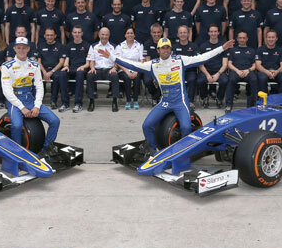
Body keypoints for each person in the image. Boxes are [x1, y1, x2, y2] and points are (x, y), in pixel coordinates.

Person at [99, 37, 234, 153]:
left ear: (171, 49)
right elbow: (132, 65)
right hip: (165, 102)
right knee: (146, 126)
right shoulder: (153, 64)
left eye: (167, 48)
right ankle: (153, 151)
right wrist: (111, 56)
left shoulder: (180, 60)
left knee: (186, 127)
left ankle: (183, 152)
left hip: (180, 102)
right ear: (158, 50)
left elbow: (202, 57)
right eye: (162, 48)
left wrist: (222, 48)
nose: (165, 50)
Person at [1, 37, 61, 155]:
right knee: (17, 126)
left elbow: (39, 86)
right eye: (19, 48)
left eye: (24, 48)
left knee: (55, 121)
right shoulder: (7, 66)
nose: (21, 50)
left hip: (30, 98)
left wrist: (37, 106)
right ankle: (17, 152)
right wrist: (22, 107)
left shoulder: (34, 65)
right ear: (14, 49)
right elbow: (7, 91)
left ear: (28, 49)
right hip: (15, 100)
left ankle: (46, 148)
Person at [85, 27, 119, 112]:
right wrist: (92, 68)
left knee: (115, 76)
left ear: (109, 35)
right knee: (89, 75)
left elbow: (117, 60)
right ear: (99, 35)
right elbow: (91, 60)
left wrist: (114, 68)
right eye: (103, 34)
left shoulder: (114, 46)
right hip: (97, 70)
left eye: (106, 35)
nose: (104, 36)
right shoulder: (93, 46)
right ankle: (91, 101)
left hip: (109, 70)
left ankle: (114, 101)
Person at [196, 24, 229, 108]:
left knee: (225, 80)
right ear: (208, 33)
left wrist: (218, 74)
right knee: (200, 80)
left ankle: (219, 98)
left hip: (219, 71)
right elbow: (200, 64)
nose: (213, 33)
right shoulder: (203, 46)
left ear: (218, 33)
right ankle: (204, 98)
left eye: (215, 31)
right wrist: (207, 75)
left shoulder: (223, 46)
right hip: (206, 71)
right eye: (211, 31)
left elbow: (225, 64)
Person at [225, 30, 258, 112]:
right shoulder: (232, 50)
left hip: (248, 71)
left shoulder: (252, 50)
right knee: (231, 79)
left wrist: (248, 70)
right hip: (236, 71)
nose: (242, 39)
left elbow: (255, 65)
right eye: (240, 38)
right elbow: (229, 64)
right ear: (237, 39)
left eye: (244, 38)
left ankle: (255, 104)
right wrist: (237, 70)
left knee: (254, 79)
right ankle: (228, 105)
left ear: (247, 39)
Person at [37, 28, 69, 111]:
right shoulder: (40, 46)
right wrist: (44, 72)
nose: (49, 37)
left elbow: (61, 62)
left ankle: (53, 101)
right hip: (43, 69)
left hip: (55, 69)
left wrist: (51, 72)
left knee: (57, 76)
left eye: (51, 35)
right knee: (36, 75)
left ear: (55, 36)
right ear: (44, 36)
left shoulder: (60, 46)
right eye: (47, 35)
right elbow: (38, 62)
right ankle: (37, 101)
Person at [63, 25, 91, 113]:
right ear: (72, 33)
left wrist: (83, 67)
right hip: (71, 68)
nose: (77, 34)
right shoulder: (68, 46)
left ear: (82, 33)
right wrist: (66, 66)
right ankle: (65, 103)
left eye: (79, 32)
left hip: (82, 68)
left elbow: (88, 63)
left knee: (80, 74)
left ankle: (78, 103)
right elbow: (66, 59)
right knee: (62, 74)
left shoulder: (87, 46)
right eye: (75, 32)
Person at [115, 28, 144, 109]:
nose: (130, 35)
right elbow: (118, 61)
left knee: (137, 78)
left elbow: (141, 60)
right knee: (127, 78)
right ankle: (128, 100)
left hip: (137, 68)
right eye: (128, 33)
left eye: (131, 33)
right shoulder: (120, 46)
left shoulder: (139, 45)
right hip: (123, 69)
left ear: (134, 35)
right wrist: (127, 71)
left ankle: (135, 100)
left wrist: (136, 70)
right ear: (125, 35)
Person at [255, 30, 282, 94]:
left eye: (273, 37)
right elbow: (258, 65)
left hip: (277, 72)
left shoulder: (281, 50)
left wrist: (277, 71)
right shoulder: (260, 50)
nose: (271, 39)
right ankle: (263, 101)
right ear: (266, 38)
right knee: (262, 78)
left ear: (276, 39)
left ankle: (281, 100)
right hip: (264, 72)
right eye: (269, 37)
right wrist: (267, 72)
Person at [172, 25, 199, 107]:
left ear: (188, 34)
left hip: (190, 70)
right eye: (181, 33)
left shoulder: (194, 46)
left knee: (192, 79)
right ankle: (175, 100)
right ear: (178, 34)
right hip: (177, 71)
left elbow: (197, 60)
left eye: (184, 32)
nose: (183, 34)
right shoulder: (174, 47)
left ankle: (190, 101)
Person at [142, 24, 165, 105]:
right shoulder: (147, 44)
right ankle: (156, 96)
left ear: (162, 33)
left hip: (163, 68)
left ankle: (155, 98)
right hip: (150, 69)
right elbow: (148, 61)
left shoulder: (165, 43)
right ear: (151, 33)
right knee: (147, 81)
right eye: (154, 32)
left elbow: (166, 60)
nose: (156, 34)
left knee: (164, 80)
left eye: (158, 32)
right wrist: (154, 76)